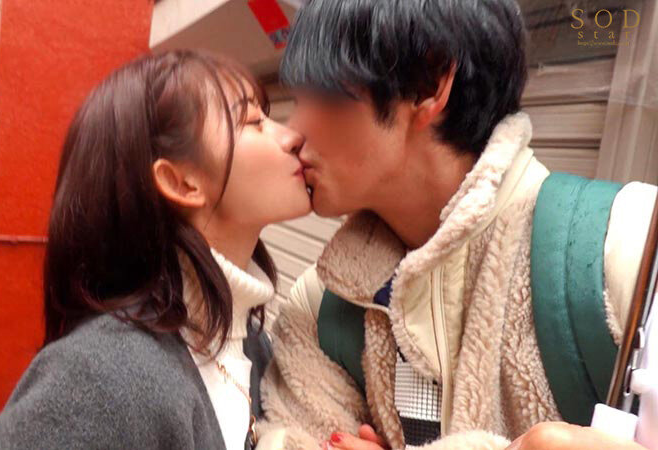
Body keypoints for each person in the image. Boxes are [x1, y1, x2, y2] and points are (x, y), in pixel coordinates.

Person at [255, 1, 657, 449]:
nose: (294, 130)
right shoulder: (321, 309)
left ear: (428, 85)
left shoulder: (627, 251)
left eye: (320, 93)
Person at [0, 49, 309, 449]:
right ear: (182, 183)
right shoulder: (104, 375)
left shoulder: (249, 343)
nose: (292, 136)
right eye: (253, 121)